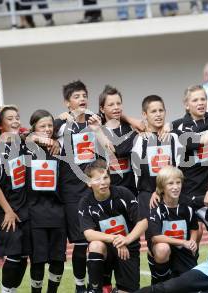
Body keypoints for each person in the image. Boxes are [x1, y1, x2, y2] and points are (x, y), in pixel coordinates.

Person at [54, 80, 114, 293]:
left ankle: (100, 283)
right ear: (67, 102)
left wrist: (98, 129)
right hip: (71, 189)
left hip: (95, 186)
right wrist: (55, 121)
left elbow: (109, 144)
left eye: (84, 95)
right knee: (80, 243)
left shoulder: (95, 121)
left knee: (99, 240)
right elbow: (35, 135)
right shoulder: (59, 125)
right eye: (76, 96)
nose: (82, 99)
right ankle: (80, 285)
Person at [79, 159, 147, 293]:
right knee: (95, 245)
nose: (103, 182)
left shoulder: (123, 193)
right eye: (97, 179)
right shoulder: (85, 202)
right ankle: (95, 289)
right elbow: (88, 233)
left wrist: (126, 240)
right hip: (107, 249)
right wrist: (115, 239)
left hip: (127, 248)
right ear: (89, 183)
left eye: (105, 177)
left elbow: (143, 222)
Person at [27, 109, 66, 293]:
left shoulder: (59, 148)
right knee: (38, 260)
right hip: (36, 213)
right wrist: (33, 138)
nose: (48, 129)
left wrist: (55, 140)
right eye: (42, 126)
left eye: (50, 125)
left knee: (58, 259)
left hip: (58, 212)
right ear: (34, 127)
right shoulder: (26, 146)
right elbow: (11, 137)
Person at [0, 105, 31, 292]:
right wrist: (7, 211)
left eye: (17, 117)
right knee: (14, 254)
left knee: (24, 256)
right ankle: (5, 291)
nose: (15, 121)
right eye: (9, 118)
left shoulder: (23, 143)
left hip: (23, 207)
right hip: (5, 209)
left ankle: (12, 290)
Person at [146, 166, 199, 284]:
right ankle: (159, 281)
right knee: (162, 248)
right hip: (164, 251)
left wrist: (192, 242)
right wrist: (183, 242)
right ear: (162, 188)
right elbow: (156, 237)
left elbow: (195, 228)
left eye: (178, 182)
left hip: (182, 251)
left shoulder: (187, 206)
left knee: (193, 284)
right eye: (170, 183)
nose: (175, 187)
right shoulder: (156, 208)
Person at [99, 85, 137, 195]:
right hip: (107, 192)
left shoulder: (131, 129)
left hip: (131, 191)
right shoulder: (97, 130)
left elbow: (120, 150)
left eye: (118, 103)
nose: (116, 107)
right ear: (102, 109)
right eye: (111, 104)